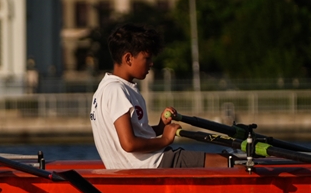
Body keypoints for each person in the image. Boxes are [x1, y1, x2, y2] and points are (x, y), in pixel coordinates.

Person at [90, 23, 227, 170]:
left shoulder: (105, 88)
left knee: (217, 158)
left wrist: (161, 127)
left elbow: (137, 134)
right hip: (148, 164)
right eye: (147, 58)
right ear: (128, 58)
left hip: (145, 163)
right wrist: (165, 139)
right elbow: (129, 144)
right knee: (225, 162)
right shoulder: (117, 90)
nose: (151, 63)